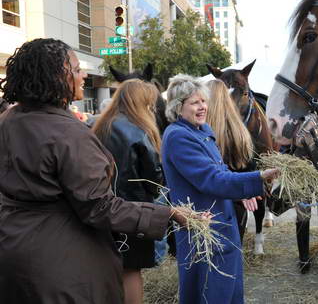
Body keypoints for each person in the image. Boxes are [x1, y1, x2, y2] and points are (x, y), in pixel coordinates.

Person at [0, 38, 196, 304]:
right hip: (62, 268)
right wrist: (167, 213)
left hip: (13, 253)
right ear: (59, 75)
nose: (83, 76)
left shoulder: (8, 120)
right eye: (78, 69)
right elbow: (99, 207)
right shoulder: (69, 134)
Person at [161, 74, 279, 304]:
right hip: (204, 231)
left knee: (228, 292)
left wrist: (243, 192)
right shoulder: (178, 137)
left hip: (221, 229)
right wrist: (257, 178)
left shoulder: (200, 131)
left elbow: (222, 171)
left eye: (203, 101)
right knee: (211, 293)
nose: (203, 106)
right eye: (194, 102)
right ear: (178, 107)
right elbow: (212, 179)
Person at [92, 78, 165, 304]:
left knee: (108, 271)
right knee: (131, 271)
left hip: (102, 207)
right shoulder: (138, 131)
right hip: (134, 210)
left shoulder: (100, 126)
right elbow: (154, 180)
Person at [205, 79, 259, 243]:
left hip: (208, 205)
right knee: (232, 253)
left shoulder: (201, 133)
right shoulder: (241, 131)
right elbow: (250, 165)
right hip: (237, 203)